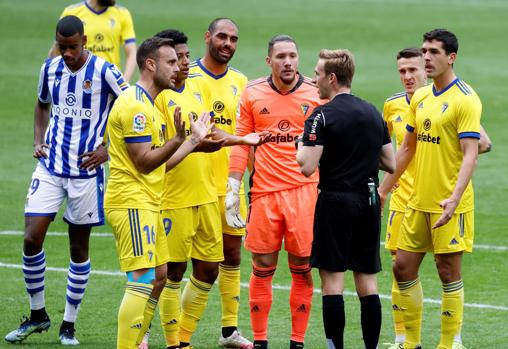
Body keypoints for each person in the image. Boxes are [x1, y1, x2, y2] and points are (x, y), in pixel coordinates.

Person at [136, 28, 267, 349]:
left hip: (210, 192)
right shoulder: (159, 96)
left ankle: (189, 335)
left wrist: (239, 141)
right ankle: (163, 338)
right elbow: (159, 151)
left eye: (183, 56)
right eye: (176, 58)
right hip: (174, 197)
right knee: (171, 272)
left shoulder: (197, 89)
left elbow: (208, 137)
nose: (183, 63)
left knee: (210, 268)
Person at [4, 15, 128, 345]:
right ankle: (37, 315)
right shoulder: (51, 68)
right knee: (31, 239)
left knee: (78, 249)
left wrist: (107, 149)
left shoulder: (104, 72)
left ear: (85, 42)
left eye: (73, 47)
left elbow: (131, 109)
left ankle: (68, 324)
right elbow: (42, 104)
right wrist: (37, 140)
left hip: (86, 173)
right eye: (62, 46)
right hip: (50, 166)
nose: (67, 53)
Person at [103, 36, 212, 349]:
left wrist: (190, 140)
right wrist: (177, 140)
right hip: (132, 203)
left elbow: (163, 164)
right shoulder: (135, 106)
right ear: (150, 65)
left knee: (160, 275)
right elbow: (144, 163)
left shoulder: (148, 104)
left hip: (149, 203)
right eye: (171, 62)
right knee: (140, 279)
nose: (178, 67)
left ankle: (137, 341)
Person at [378, 29, 483, 349]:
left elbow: (470, 153)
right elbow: (407, 149)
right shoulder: (421, 98)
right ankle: (410, 342)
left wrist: (454, 197)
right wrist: (384, 190)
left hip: (450, 202)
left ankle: (451, 342)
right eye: (424, 51)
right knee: (402, 267)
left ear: (450, 57)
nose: (426, 57)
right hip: (416, 201)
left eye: (433, 52)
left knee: (447, 270)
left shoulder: (465, 98)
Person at [227, 35, 322, 349]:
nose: (288, 62)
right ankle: (261, 342)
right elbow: (240, 144)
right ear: (269, 61)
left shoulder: (316, 92)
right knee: (262, 268)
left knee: (302, 269)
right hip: (265, 195)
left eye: (293, 55)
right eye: (281, 56)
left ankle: (297, 342)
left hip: (305, 192)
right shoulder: (252, 92)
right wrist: (233, 187)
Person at [296, 49, 395, 349]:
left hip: (336, 202)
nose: (313, 78)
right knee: (367, 283)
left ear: (332, 77)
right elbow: (390, 162)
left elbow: (307, 166)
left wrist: (301, 146)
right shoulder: (372, 111)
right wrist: (360, 155)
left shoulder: (320, 115)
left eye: (317, 73)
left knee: (333, 284)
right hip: (368, 201)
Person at [188, 18, 253, 348]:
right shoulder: (188, 78)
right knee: (182, 266)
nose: (228, 43)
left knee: (232, 255)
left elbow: (248, 129)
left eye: (234, 39)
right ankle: (174, 335)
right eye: (222, 37)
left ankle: (229, 330)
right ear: (207, 37)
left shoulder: (241, 82)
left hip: (230, 185)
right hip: (194, 184)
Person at [50, 0, 137, 82]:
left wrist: (124, 81)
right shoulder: (71, 12)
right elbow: (56, 50)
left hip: (110, 80)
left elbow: (132, 52)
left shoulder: (122, 14)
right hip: (79, 80)